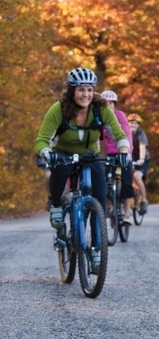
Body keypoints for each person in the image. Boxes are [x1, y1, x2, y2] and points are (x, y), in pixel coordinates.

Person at [34, 67, 130, 232]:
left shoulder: (102, 109)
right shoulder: (59, 109)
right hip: (63, 153)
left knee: (99, 197)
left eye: (89, 90)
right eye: (80, 90)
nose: (85, 94)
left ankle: (96, 243)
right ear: (72, 91)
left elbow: (119, 135)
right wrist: (47, 153)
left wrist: (123, 152)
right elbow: (42, 140)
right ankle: (56, 206)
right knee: (60, 169)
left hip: (90, 154)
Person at [100, 90, 134, 225]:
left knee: (126, 182)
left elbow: (127, 134)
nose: (109, 106)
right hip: (109, 154)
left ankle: (127, 213)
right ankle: (109, 206)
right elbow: (97, 138)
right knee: (104, 181)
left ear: (115, 104)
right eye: (106, 103)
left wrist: (127, 153)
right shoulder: (100, 117)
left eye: (111, 103)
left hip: (123, 152)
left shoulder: (120, 115)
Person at [128, 113, 149, 215]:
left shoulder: (140, 134)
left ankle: (144, 200)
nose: (133, 125)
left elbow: (142, 147)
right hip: (130, 159)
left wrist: (141, 159)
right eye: (131, 122)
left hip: (142, 159)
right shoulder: (125, 133)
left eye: (136, 123)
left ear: (138, 125)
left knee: (137, 176)